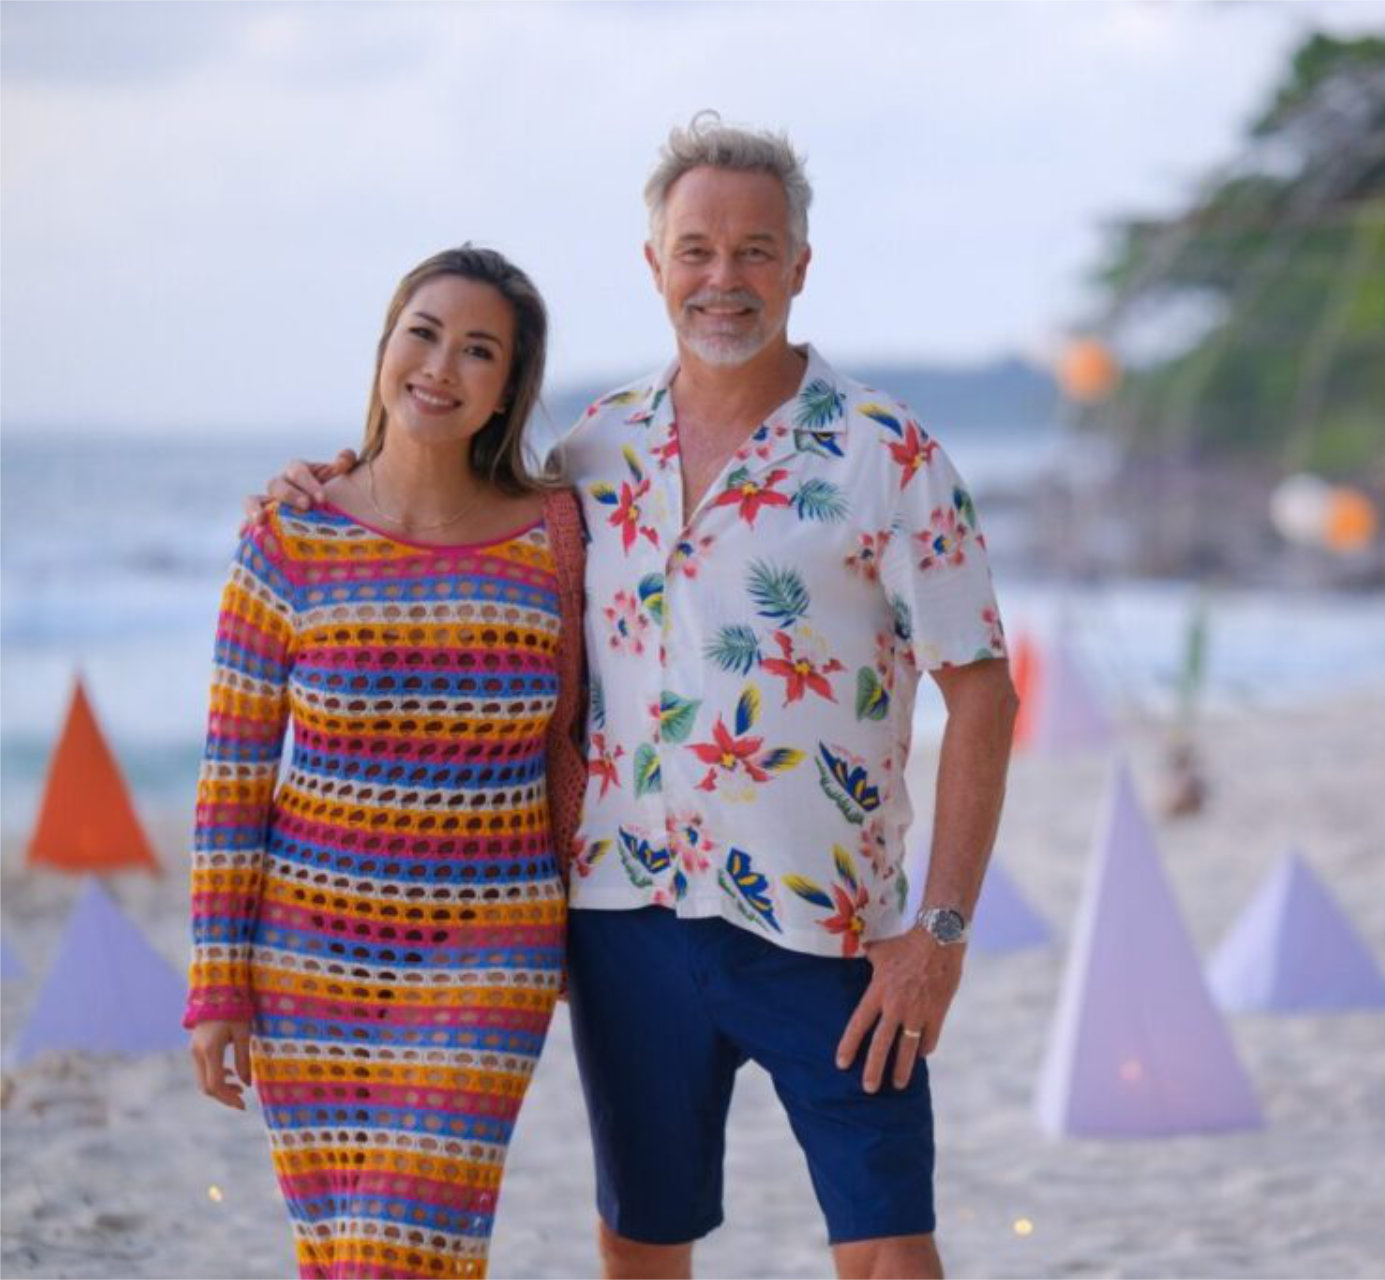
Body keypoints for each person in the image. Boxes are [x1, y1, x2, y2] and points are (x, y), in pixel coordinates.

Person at [263, 114, 1020, 1280]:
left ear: (801, 267)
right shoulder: (591, 451)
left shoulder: (890, 454)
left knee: (886, 1240)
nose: (725, 279)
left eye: (756, 250)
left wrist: (943, 935)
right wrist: (325, 482)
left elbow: (983, 693)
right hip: (623, 920)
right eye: (698, 250)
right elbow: (447, 514)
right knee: (642, 1237)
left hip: (833, 933)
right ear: (656, 264)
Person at [188, 245, 588, 1280]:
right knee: (352, 1253)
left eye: (478, 350)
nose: (441, 365)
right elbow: (232, 780)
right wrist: (215, 982)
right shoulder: (289, 536)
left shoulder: (558, 539)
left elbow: (604, 734)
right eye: (424, 332)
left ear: (506, 392)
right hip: (305, 959)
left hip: (489, 952)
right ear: (385, 345)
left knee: (393, 1250)